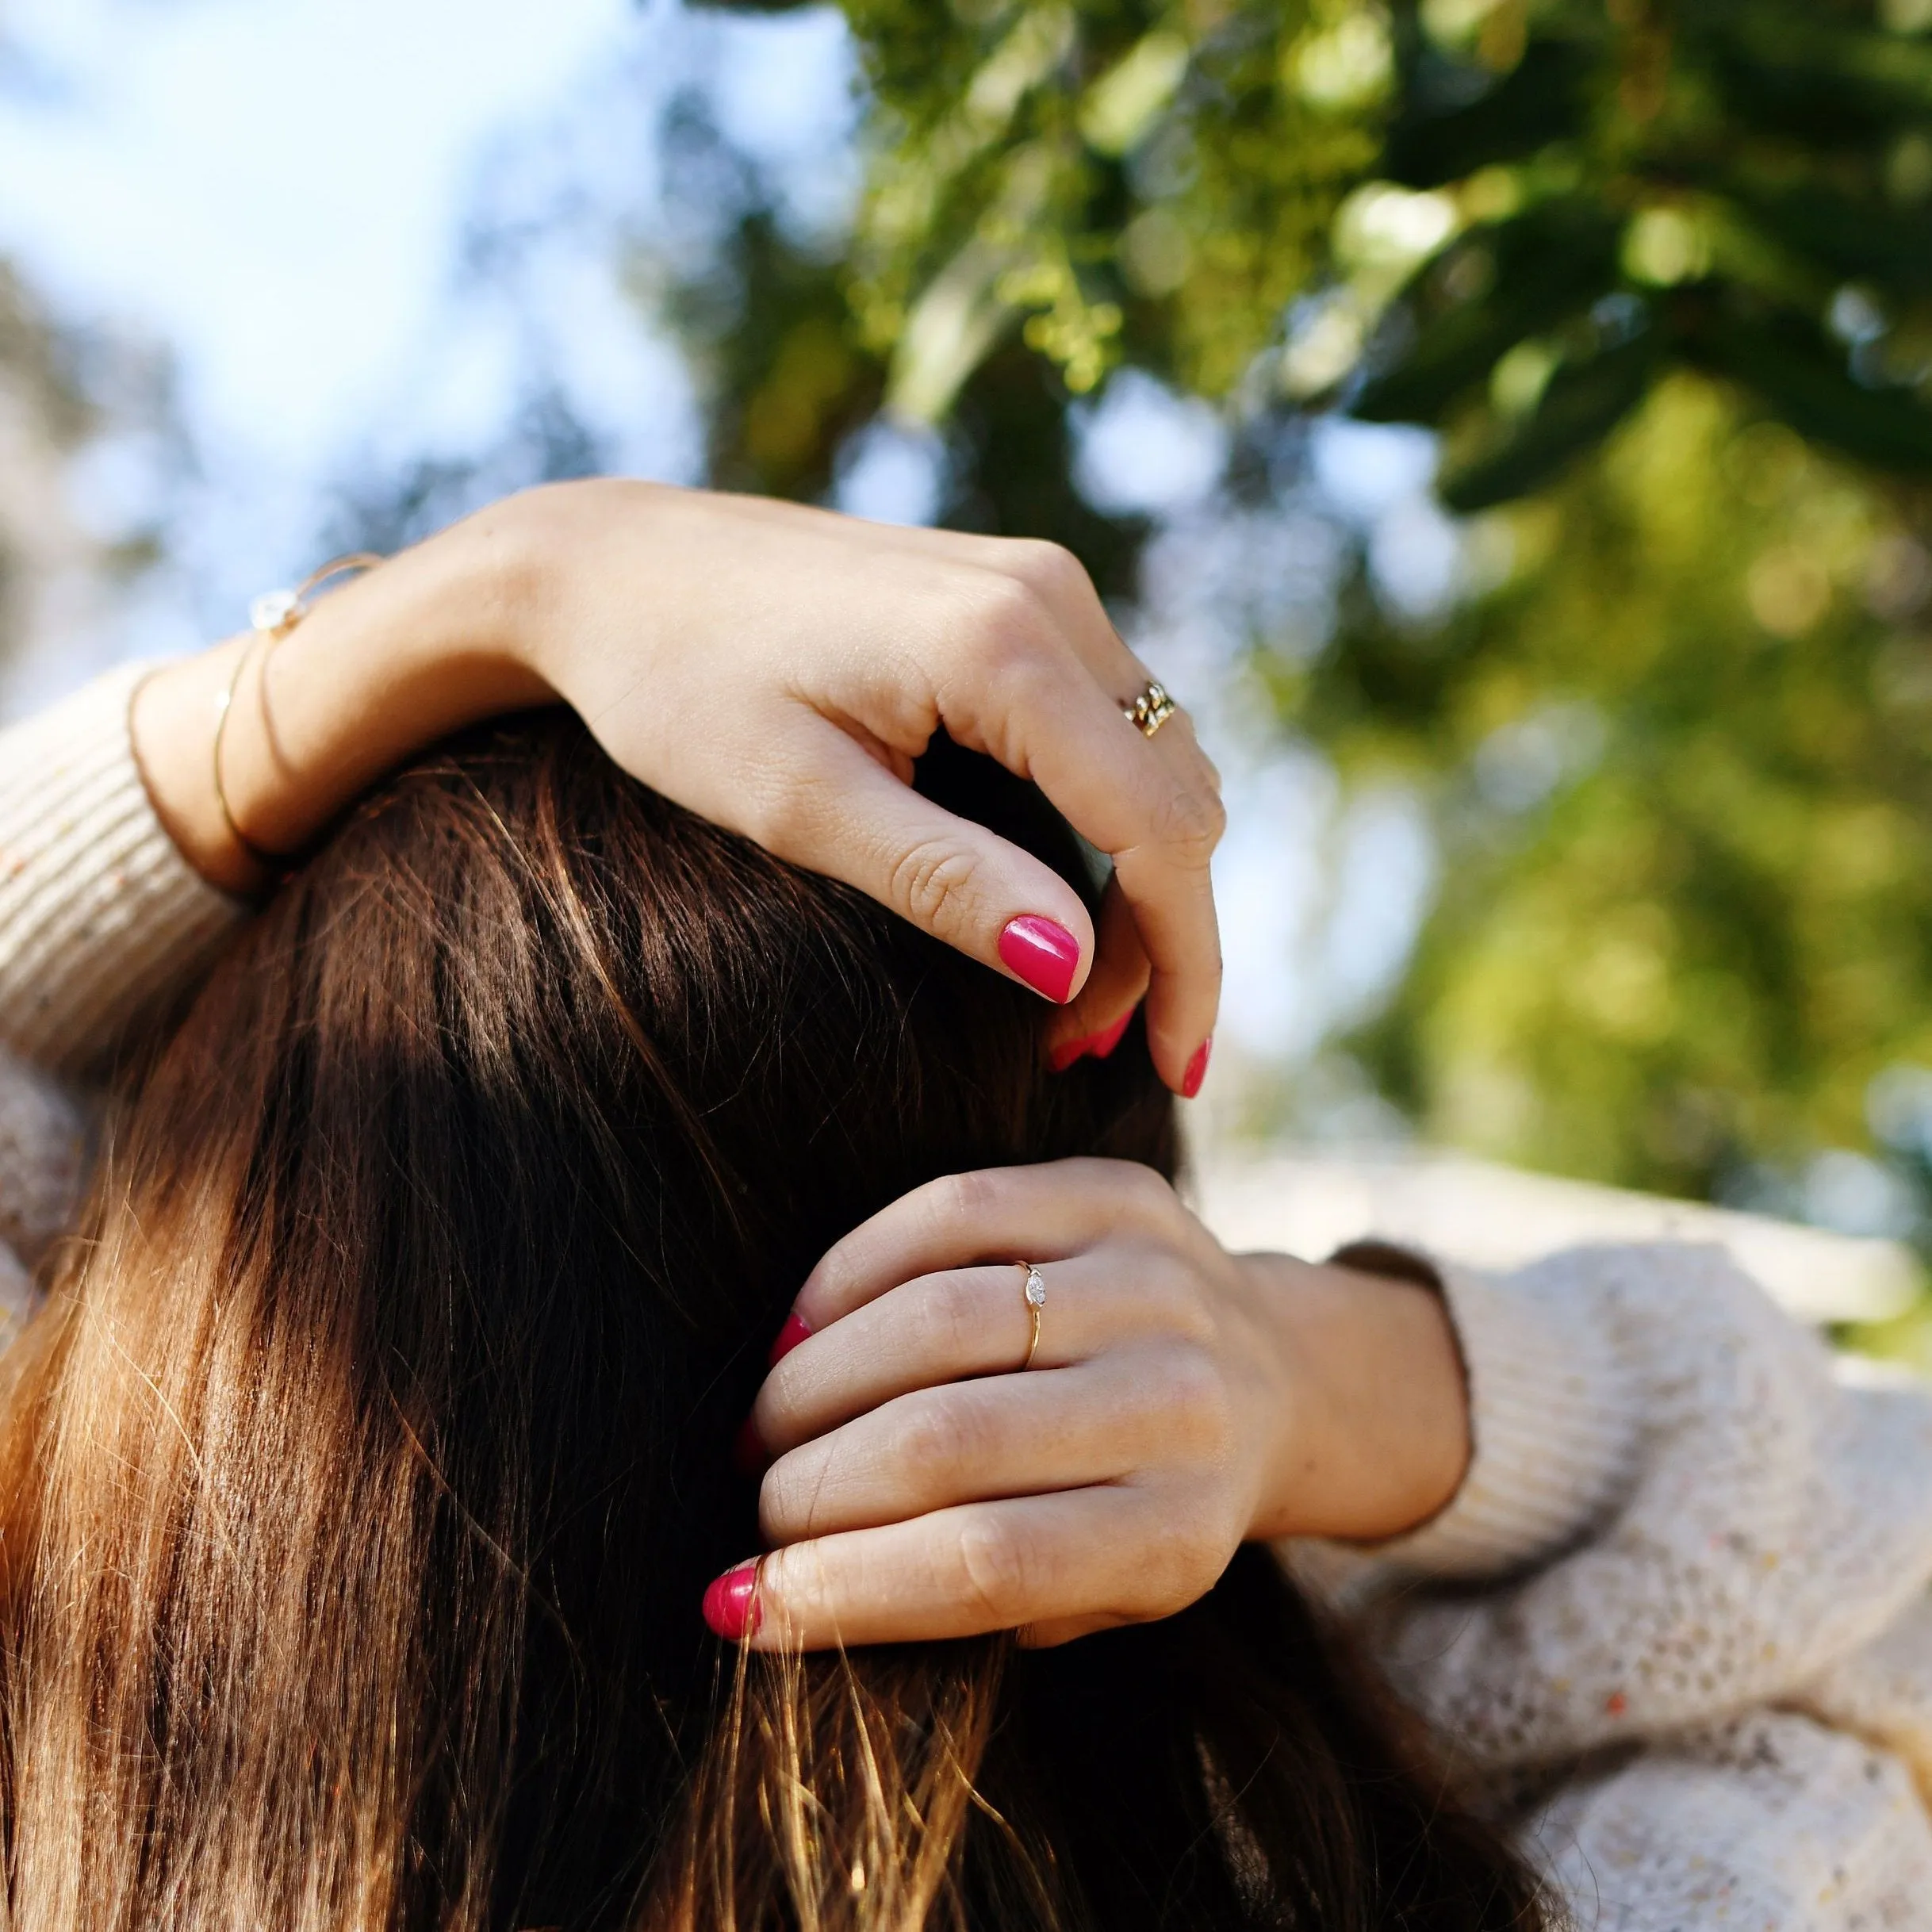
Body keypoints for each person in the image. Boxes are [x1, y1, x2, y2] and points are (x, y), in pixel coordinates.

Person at [1, 483, 1930, 1926]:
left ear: (203, 1257)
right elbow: (1876, 1546)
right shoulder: (1650, 1872)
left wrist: (483, 598)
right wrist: (1303, 1387)